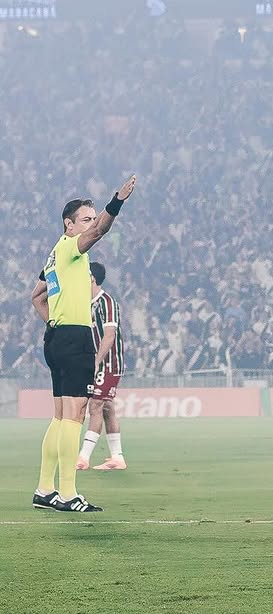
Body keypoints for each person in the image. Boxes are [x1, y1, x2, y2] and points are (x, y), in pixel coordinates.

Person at [29, 177, 137, 513]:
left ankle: (45, 490)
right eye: (86, 219)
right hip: (74, 338)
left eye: (92, 218)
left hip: (57, 337)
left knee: (61, 416)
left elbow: (36, 297)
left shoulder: (54, 255)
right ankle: (67, 494)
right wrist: (116, 201)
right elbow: (102, 231)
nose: (92, 224)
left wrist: (54, 321)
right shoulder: (71, 247)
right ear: (69, 224)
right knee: (74, 415)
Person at [77, 262, 127, 471]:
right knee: (107, 407)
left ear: (92, 278)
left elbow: (109, 336)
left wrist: (96, 361)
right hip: (98, 362)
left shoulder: (106, 302)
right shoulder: (87, 303)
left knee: (96, 405)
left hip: (109, 363)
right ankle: (117, 457)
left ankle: (83, 458)